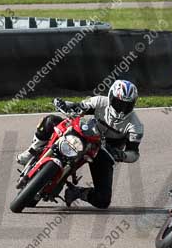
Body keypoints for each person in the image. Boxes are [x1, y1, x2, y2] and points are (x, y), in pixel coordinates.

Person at [16, 80, 143, 209]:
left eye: (127, 105)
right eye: (119, 103)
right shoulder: (99, 102)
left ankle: (77, 192)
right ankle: (31, 151)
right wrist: (65, 104)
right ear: (111, 97)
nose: (122, 109)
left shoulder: (135, 126)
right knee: (50, 120)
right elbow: (79, 107)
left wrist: (120, 154)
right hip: (85, 136)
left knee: (103, 200)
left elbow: (134, 153)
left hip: (105, 153)